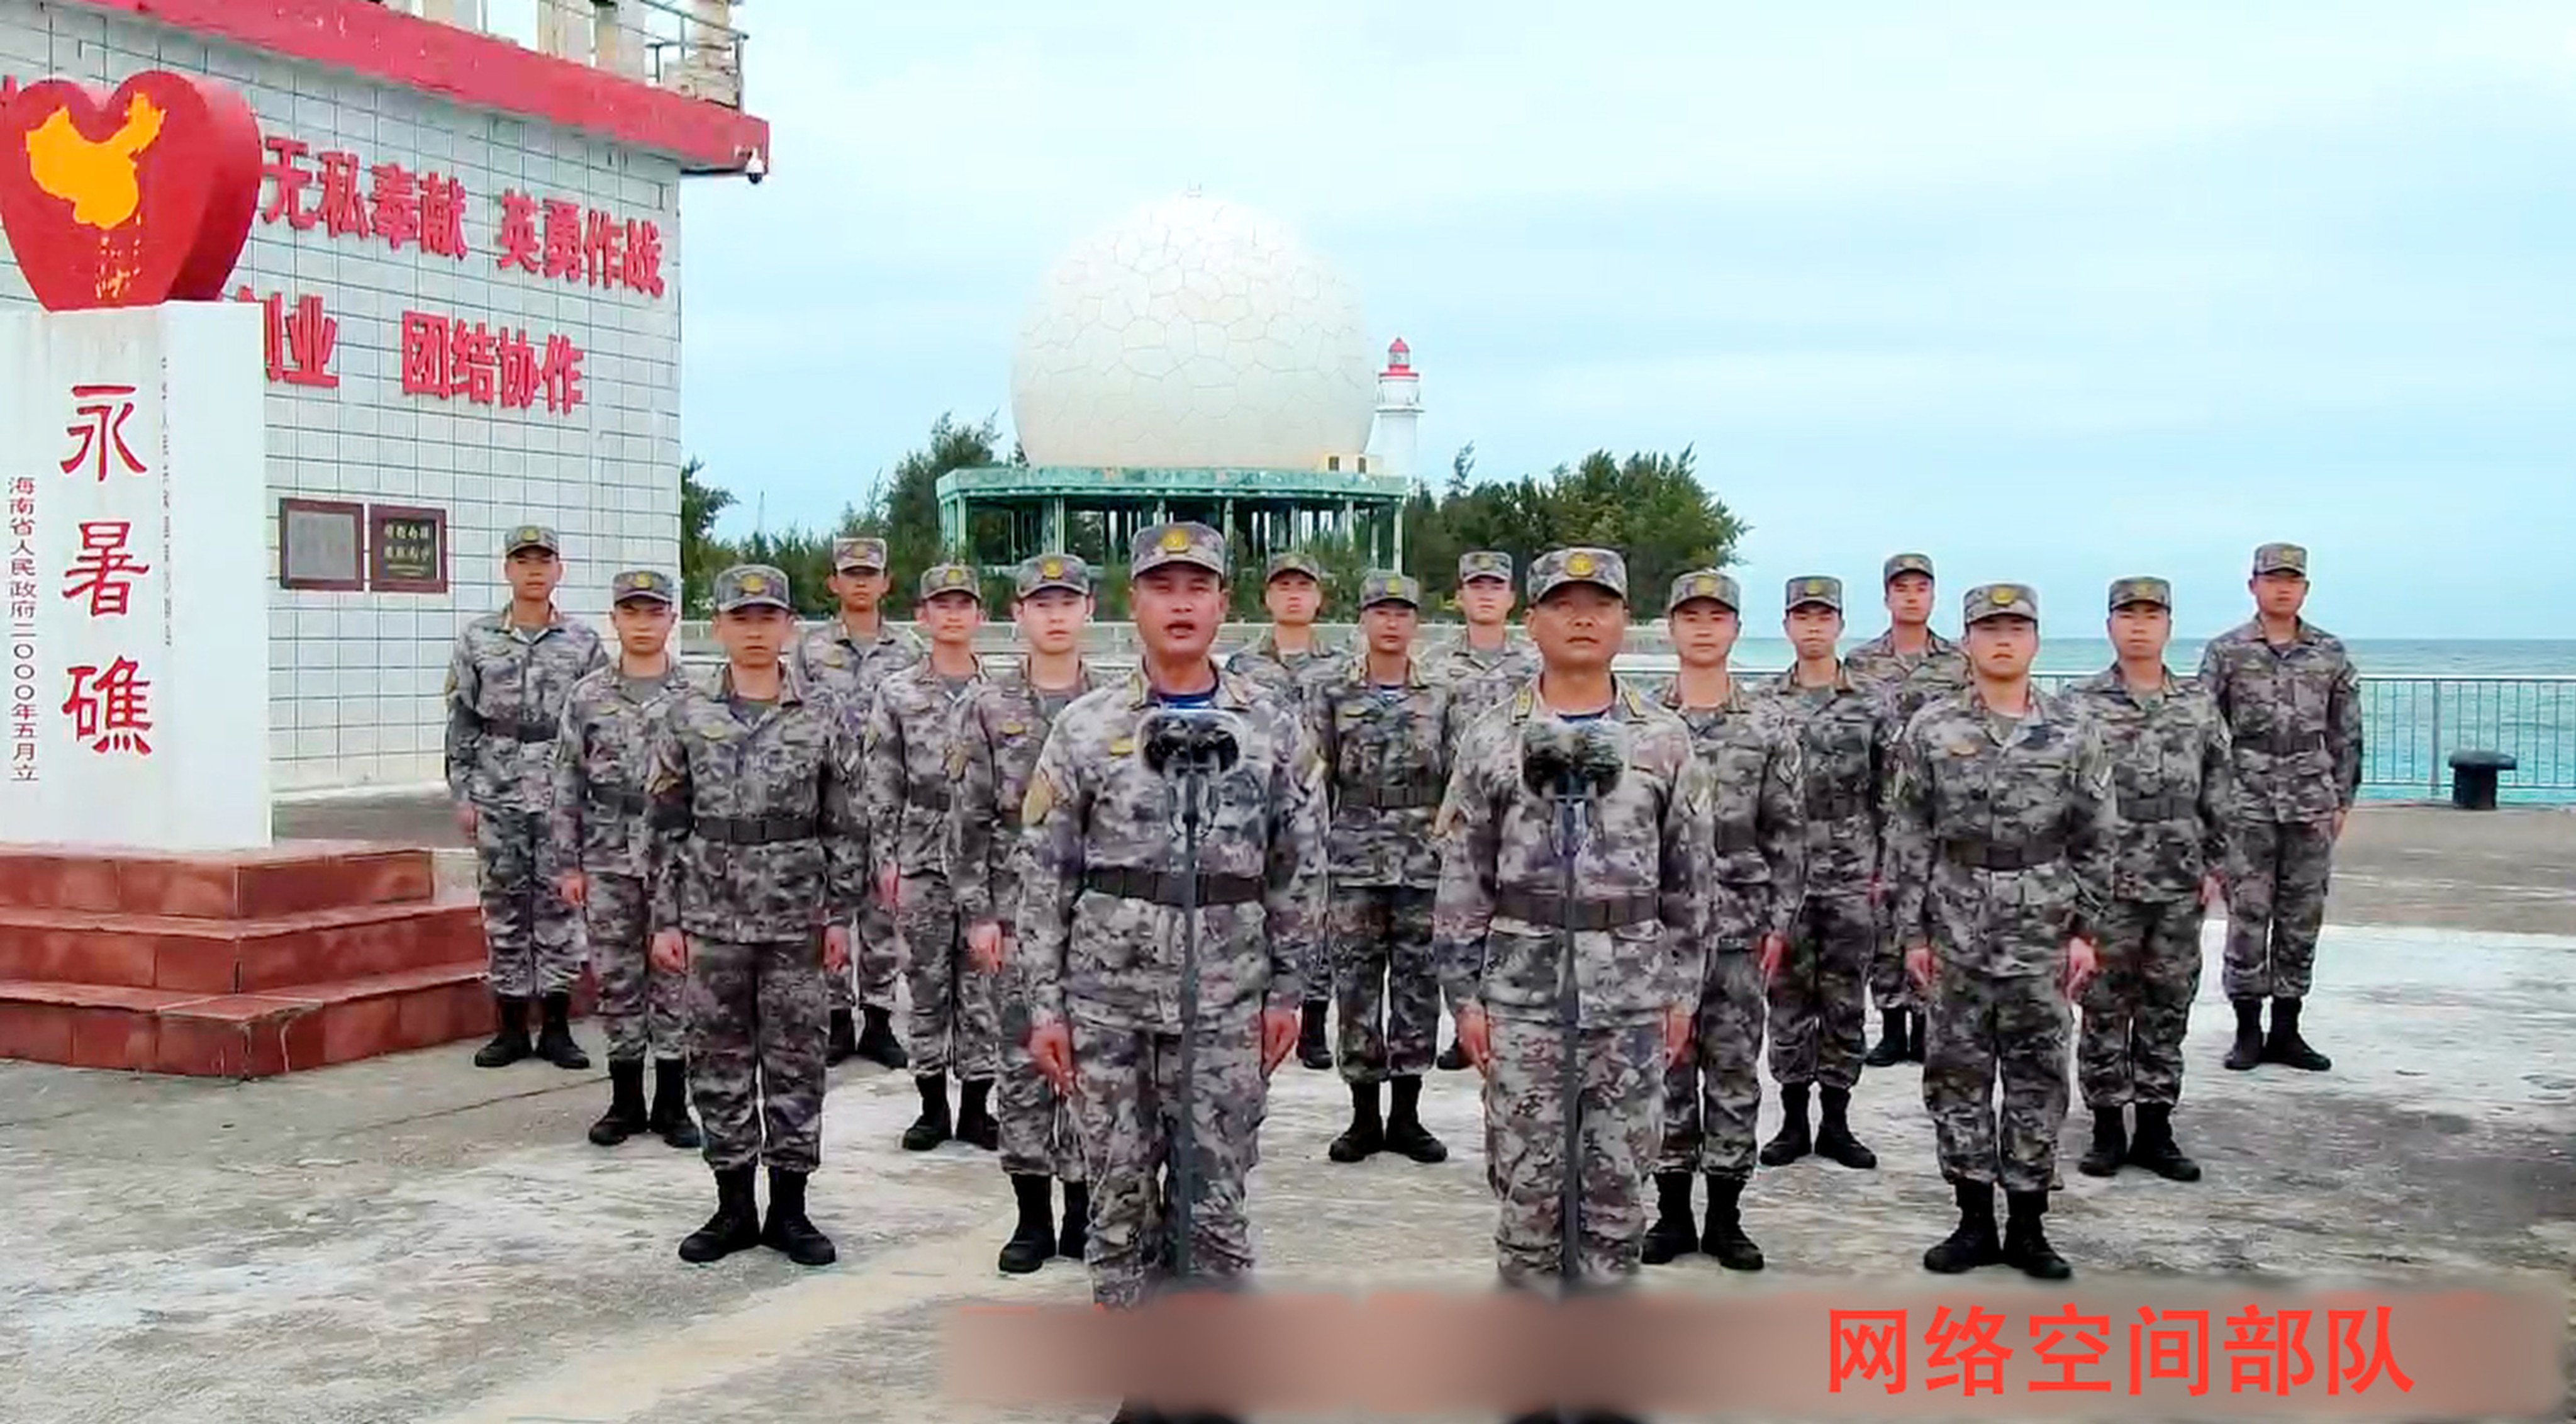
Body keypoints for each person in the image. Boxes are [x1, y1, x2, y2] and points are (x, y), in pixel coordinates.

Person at [1012, 524, 1324, 1391]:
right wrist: (1045, 1005)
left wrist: (1289, 991)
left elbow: (1300, 869)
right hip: (1106, 1005)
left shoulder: (1269, 726)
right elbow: (1045, 875)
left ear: (1224, 602)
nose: (1180, 603)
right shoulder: (1085, 727)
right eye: (1162, 586)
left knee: (1213, 1195)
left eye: (1198, 586)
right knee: (1117, 1197)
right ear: (1133, 602)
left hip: (1227, 1000)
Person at [1433, 547, 1707, 1310]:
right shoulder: (1492, 737)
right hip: (1521, 995)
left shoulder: (1664, 738)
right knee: (1527, 1187)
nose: (1582, 617)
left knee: (1618, 1190)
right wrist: (1465, 999)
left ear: (1624, 620)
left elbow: (1690, 882)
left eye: (1600, 603)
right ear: (1533, 620)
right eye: (1563, 603)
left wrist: (1682, 993)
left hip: (1630, 998)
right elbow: (1464, 878)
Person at [1886, 583, 2113, 1281]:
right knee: (1957, 1073)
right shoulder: (1931, 727)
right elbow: (1909, 830)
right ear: (1969, 640)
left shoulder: (2073, 728)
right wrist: (1912, 932)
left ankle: (2030, 1223)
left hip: (2043, 919)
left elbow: (2097, 833)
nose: (2003, 640)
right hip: (1956, 917)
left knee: (2038, 1074)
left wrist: (2087, 929)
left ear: (2037, 640)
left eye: (2016, 627)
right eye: (1989, 628)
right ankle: (1973, 1217)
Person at [644, 564, 861, 1267]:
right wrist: (665, 918)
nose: (757, 630)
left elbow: (845, 820)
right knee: (718, 1060)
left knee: (797, 1062)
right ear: (719, 627)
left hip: (798, 917)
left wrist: (841, 914)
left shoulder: (825, 711)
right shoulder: (687, 712)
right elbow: (664, 819)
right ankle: (733, 1203)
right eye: (743, 618)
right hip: (711, 916)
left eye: (769, 617)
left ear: (790, 626)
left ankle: (791, 1209)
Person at [1642, 571, 1804, 1272]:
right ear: (1671, 628)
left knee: (1735, 1072)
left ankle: (1727, 1216)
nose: (1704, 627)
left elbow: (1787, 833)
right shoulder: (1643, 723)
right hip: (1660, 930)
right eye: (1691, 616)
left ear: (1736, 629)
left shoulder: (1769, 726)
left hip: (1741, 924)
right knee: (1666, 1070)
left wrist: (1780, 921)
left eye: (1718, 616)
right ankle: (1672, 1212)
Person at [951, 553, 1107, 1274]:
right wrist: (978, 912)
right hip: (1014, 916)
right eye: (1040, 602)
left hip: (1094, 920)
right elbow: (968, 819)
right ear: (1018, 614)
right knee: (1019, 1065)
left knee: (1087, 1066)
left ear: (1088, 612)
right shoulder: (985, 708)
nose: (1054, 614)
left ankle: (1083, 1212)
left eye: (1066, 601)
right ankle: (1030, 1217)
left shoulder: (1111, 707)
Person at [2064, 577, 2233, 1181]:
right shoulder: (2078, 704)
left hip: (2176, 880)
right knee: (2104, 1004)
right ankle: (2107, 1124)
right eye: (2127, 615)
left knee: (2166, 1001)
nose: (2139, 625)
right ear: (2109, 625)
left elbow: (2220, 788)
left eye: (2151, 614)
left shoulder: (2195, 703)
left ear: (2168, 625)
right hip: (2105, 881)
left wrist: (2217, 864)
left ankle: (2156, 1125)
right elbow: (2068, 800)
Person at [1303, 571, 1459, 1167]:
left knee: (1418, 988)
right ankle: (1363, 1115)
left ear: (1415, 622)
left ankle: (1408, 1115)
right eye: (1380, 612)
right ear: (1362, 619)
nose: (1391, 623)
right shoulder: (1332, 693)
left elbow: (1457, 782)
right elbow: (1313, 780)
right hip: (1354, 859)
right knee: (1357, 987)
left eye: (1402, 613)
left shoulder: (1441, 694)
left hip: (1423, 859)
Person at [446, 523, 606, 1071]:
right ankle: (511, 1025)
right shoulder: (478, 639)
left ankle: (558, 1026)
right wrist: (462, 792)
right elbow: (463, 720)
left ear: (559, 570)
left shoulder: (583, 643)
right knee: (504, 907)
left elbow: (598, 725)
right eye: (523, 560)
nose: (534, 570)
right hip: (497, 787)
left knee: (561, 908)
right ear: (507, 569)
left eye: (544, 560)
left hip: (561, 791)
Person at [548, 569, 699, 1150]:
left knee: (674, 978)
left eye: (653, 611)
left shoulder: (694, 698)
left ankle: (672, 1102)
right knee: (617, 980)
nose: (643, 622)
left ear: (671, 620)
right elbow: (565, 780)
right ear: (615, 620)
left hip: (674, 861)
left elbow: (709, 787)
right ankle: (624, 1100)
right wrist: (569, 863)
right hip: (607, 855)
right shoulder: (587, 696)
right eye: (631, 612)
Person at [2197, 542, 2360, 1074]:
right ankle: (2247, 1029)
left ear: (2304, 589)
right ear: (2253, 586)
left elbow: (2346, 731)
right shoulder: (2226, 652)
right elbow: (2207, 731)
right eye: (2271, 579)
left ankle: (2287, 1028)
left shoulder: (2329, 652)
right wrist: (2212, 805)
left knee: (2300, 917)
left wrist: (2342, 798)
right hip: (2246, 799)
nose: (2281, 587)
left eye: (2291, 580)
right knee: (2247, 916)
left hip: (2310, 801)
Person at [1758, 576, 1891, 1169]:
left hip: (1850, 870)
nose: (1812, 626)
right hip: (1783, 874)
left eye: (1823, 615)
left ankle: (1836, 1120)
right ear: (1786, 625)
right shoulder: (1763, 704)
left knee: (1843, 1000)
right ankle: (1791, 1120)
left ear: (1839, 624)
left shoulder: (1872, 702)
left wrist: (1886, 869)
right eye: (1801, 615)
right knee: (1786, 998)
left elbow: (1893, 795)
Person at [867, 563, 998, 1152]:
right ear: (921, 615)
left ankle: (975, 1106)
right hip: (918, 853)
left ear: (980, 616)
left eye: (962, 603)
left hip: (984, 862)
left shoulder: (999, 693)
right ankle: (930, 1107)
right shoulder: (896, 691)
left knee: (981, 989)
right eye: (940, 603)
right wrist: (886, 857)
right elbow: (883, 781)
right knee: (925, 984)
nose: (951, 613)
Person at [790, 535, 921, 1070]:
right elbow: (795, 718)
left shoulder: (910, 651)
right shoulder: (811, 649)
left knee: (884, 912)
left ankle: (880, 1019)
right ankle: (837, 1018)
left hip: (890, 801)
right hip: (832, 798)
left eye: (871, 573)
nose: (861, 582)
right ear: (834, 583)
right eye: (851, 573)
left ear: (886, 582)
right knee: (831, 909)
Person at [1419, 549, 1541, 1071]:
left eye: (1496, 585)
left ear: (1512, 598)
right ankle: (1461, 1023)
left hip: (1524, 819)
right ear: (1461, 595)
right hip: (1461, 818)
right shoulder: (1434, 668)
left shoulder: (1534, 665)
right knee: (1458, 928)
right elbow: (1426, 747)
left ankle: (1503, 1015)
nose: (1486, 594)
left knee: (1510, 928)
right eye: (1476, 585)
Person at [1843, 552, 1967, 1065]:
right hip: (1877, 808)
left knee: (1932, 916)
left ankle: (1926, 1023)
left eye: (1920, 587)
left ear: (1932, 596)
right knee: (1884, 919)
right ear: (1887, 597)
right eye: (1901, 588)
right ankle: (1892, 1025)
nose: (1911, 596)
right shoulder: (1861, 663)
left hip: (1936, 810)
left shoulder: (1957, 662)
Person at [1225, 548, 1341, 1070]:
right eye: (1284, 586)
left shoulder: (1341, 665)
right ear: (1268, 596)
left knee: (1318, 913)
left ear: (1318, 597)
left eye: (1304, 585)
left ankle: (1314, 1019)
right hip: (1261, 807)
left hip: (1325, 804)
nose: (1293, 594)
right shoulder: (1243, 665)